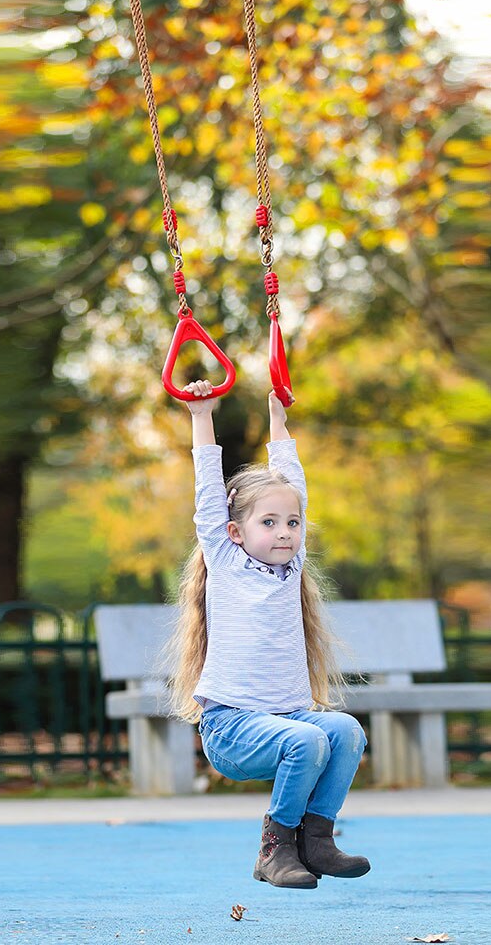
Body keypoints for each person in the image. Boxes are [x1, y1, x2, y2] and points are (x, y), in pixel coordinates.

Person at [165, 379, 370, 890]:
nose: (284, 532)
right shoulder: (227, 562)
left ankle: (315, 840)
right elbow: (208, 492)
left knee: (345, 731)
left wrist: (279, 418)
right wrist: (202, 415)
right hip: (233, 728)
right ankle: (274, 849)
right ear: (235, 532)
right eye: (270, 522)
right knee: (305, 739)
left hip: (285, 717)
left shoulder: (292, 566)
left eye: (293, 523)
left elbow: (293, 479)